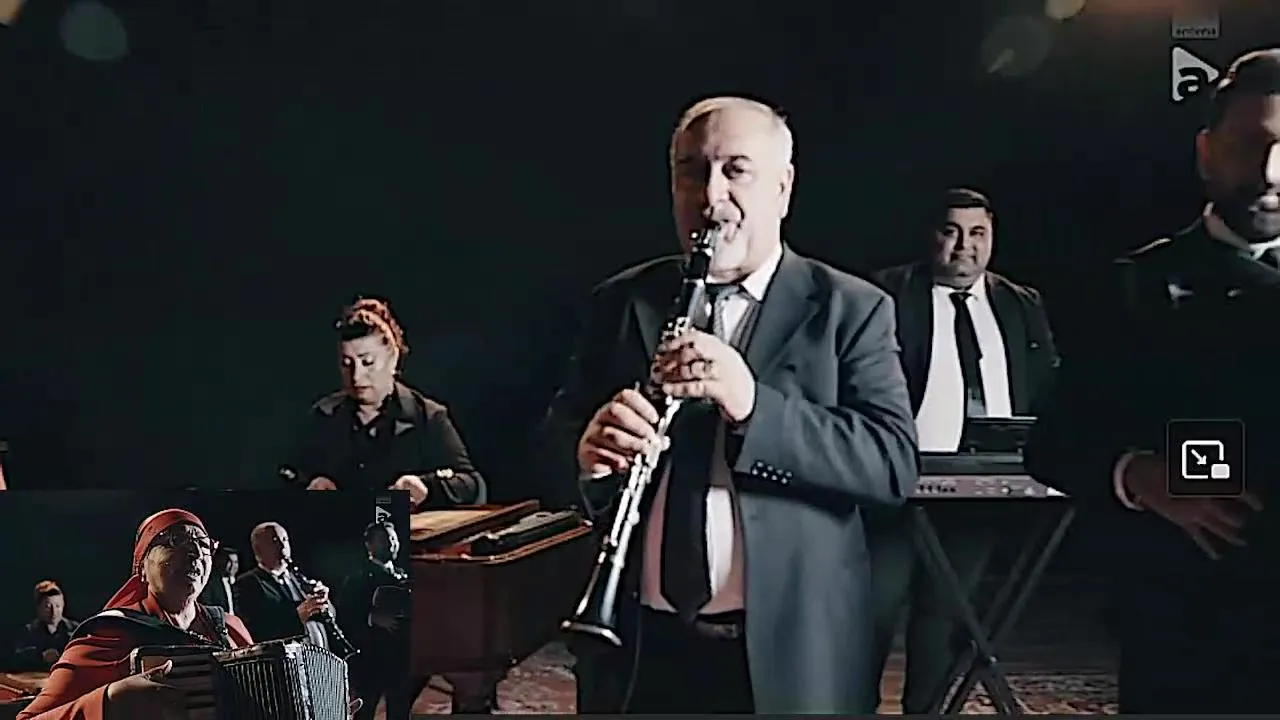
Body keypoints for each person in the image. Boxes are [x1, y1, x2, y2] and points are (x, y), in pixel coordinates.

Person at [538, 95, 918, 714]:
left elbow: (891, 465)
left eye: (736, 170)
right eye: (691, 171)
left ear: (782, 189)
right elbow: (555, 444)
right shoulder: (623, 301)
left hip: (790, 657)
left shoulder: (852, 308)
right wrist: (586, 454)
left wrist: (754, 406)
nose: (710, 195)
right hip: (641, 647)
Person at [1024, 48, 1280, 713]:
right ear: (1206, 152)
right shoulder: (1132, 288)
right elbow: (1054, 442)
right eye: (1249, 145)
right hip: (1190, 647)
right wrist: (1139, 475)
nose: (1270, 172)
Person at [865, 188, 1057, 711]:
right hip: (893, 487)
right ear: (930, 235)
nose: (964, 246)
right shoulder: (883, 295)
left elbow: (1045, 383)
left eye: (977, 233)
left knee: (946, 616)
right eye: (950, 232)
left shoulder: (1020, 303)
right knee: (874, 610)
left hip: (983, 487)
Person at [16, 509, 253, 720]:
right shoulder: (110, 634)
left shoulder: (230, 626)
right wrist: (107, 702)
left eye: (203, 544)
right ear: (142, 568)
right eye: (176, 540)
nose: (195, 552)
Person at [288, 297, 486, 509]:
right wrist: (311, 485)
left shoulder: (427, 417)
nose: (356, 376)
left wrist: (426, 487)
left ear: (393, 358)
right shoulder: (323, 416)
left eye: (367, 362)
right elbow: (291, 476)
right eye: (347, 364)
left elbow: (473, 485)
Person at [337, 521, 410, 720]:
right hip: (371, 658)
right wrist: (371, 617)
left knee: (400, 709)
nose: (391, 544)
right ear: (369, 545)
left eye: (393, 539)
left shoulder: (403, 574)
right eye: (384, 540)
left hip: (400, 657)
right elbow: (344, 615)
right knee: (366, 709)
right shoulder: (357, 576)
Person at [233, 522, 334, 649]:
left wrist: (324, 602)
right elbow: (255, 631)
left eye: (285, 539)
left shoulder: (298, 579)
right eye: (274, 541)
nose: (282, 546)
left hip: (319, 655)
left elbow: (328, 618)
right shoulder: (246, 584)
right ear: (258, 549)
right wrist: (297, 617)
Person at [10, 582, 80, 672]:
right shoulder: (28, 631)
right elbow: (17, 656)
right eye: (47, 607)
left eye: (58, 606)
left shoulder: (76, 629)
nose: (54, 612)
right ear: (38, 607)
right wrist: (41, 655)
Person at [197, 545, 239, 615]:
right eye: (229, 561)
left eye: (235, 562)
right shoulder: (211, 583)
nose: (233, 565)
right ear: (222, 561)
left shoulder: (240, 583)